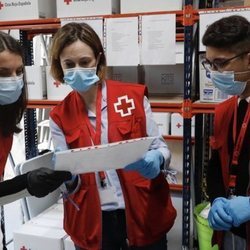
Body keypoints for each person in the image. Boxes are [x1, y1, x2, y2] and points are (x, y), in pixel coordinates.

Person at [49, 22, 176, 250]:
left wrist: (157, 159)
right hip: (93, 220)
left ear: (98, 59)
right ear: (59, 65)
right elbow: (70, 182)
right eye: (69, 64)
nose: (77, 69)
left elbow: (161, 148)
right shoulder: (59, 115)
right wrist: (65, 176)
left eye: (85, 62)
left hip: (140, 210)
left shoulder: (132, 97)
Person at [0, 31, 72, 204]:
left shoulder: (5, 118)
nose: (14, 80)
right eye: (3, 73)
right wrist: (26, 183)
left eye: (18, 72)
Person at [201, 15, 250, 249]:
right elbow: (215, 167)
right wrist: (217, 199)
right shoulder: (224, 111)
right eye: (209, 64)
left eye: (220, 63)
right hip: (229, 231)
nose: (213, 72)